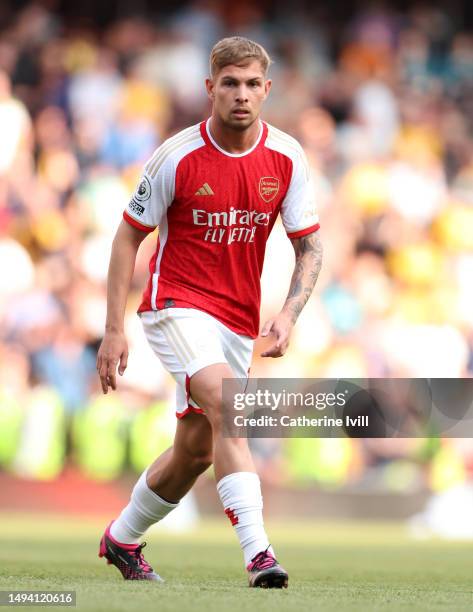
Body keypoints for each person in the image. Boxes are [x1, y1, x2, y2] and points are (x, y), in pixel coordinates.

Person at [97, 36, 322, 589]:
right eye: (230, 83)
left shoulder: (287, 157)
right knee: (231, 405)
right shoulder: (176, 156)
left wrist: (289, 315)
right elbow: (128, 238)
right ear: (210, 88)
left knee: (195, 451)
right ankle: (260, 555)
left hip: (237, 321)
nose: (241, 95)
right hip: (175, 304)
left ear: (266, 90)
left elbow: (310, 247)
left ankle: (120, 540)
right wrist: (112, 330)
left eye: (251, 84)